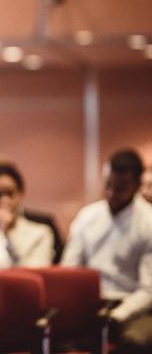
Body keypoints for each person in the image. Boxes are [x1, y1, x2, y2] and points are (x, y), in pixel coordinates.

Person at [63, 148, 152, 353]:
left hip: (133, 308)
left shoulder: (148, 222)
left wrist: (117, 315)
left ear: (137, 185)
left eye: (120, 188)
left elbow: (149, 289)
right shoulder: (87, 216)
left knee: (136, 342)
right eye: (108, 185)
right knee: (56, 337)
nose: (112, 193)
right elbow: (70, 271)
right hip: (89, 304)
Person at [0, 157, 64, 263]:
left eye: (9, 193)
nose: (5, 200)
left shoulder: (41, 231)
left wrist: (8, 234)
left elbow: (36, 272)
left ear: (20, 194)